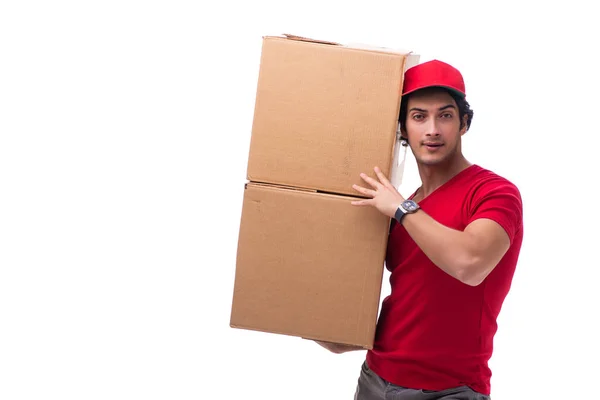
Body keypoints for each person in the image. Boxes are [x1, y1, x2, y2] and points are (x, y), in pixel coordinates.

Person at [315, 59, 524, 400]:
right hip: (374, 380)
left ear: (464, 124)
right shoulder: (401, 205)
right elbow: (404, 307)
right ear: (401, 129)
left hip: (450, 390)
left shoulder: (493, 192)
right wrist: (318, 323)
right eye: (418, 117)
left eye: (445, 115)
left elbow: (469, 264)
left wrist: (400, 209)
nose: (432, 130)